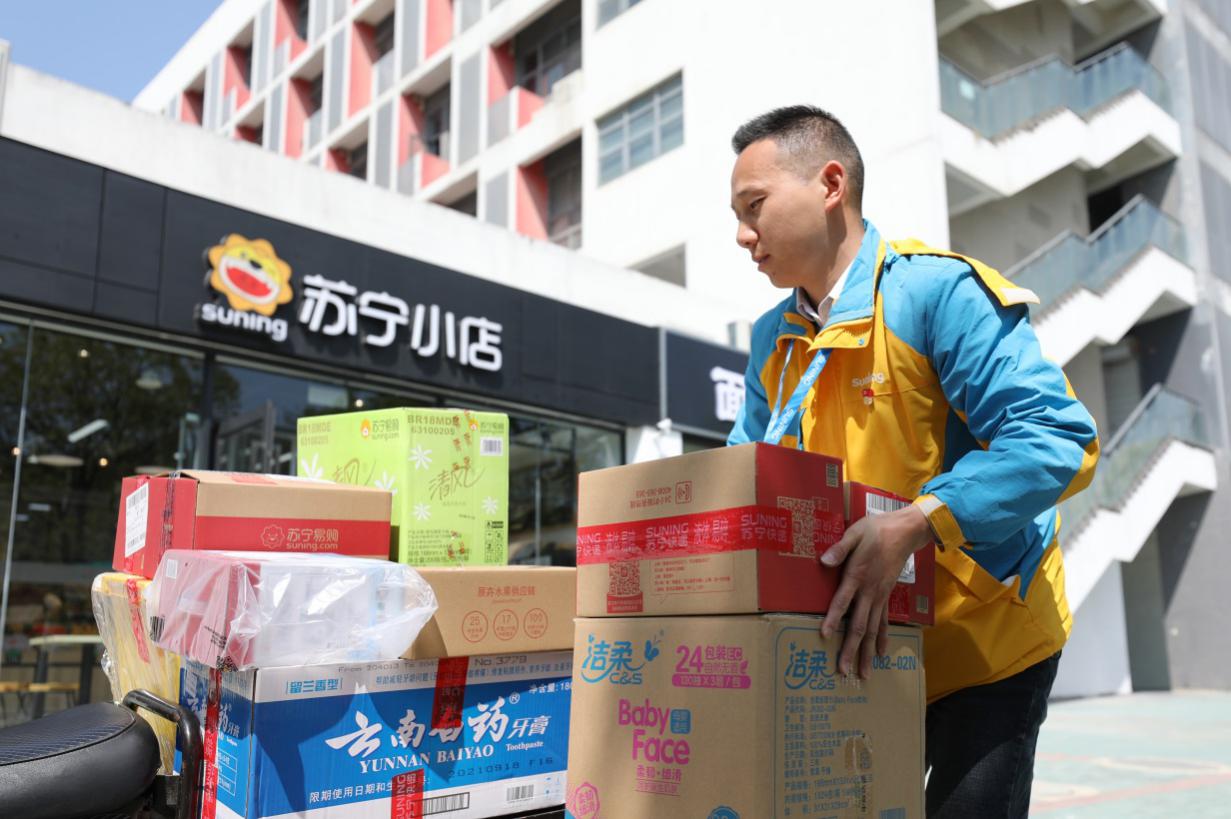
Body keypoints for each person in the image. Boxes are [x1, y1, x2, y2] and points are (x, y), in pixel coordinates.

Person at [726, 105, 1099, 818]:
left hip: (986, 641)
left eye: (755, 206)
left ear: (830, 184)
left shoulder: (936, 293)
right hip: (862, 642)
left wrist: (914, 523)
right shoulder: (772, 339)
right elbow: (746, 478)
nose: (742, 235)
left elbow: (1055, 437)